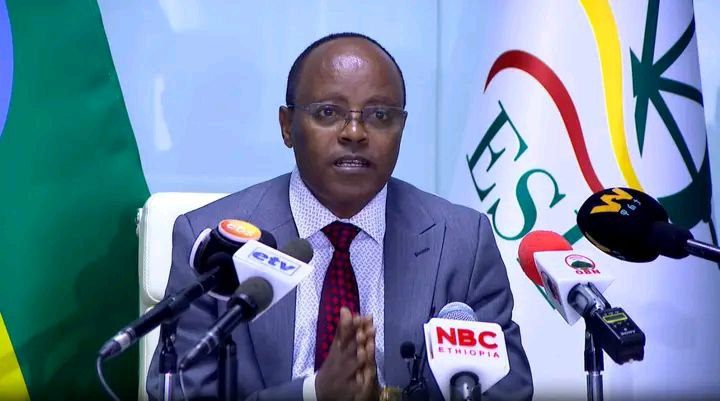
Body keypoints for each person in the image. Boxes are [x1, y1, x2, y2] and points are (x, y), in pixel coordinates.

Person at [147, 32, 533, 401]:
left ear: (401, 128)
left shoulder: (462, 242)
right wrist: (315, 394)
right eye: (328, 112)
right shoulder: (215, 243)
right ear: (287, 126)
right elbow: (180, 390)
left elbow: (507, 391)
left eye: (379, 115)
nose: (354, 132)